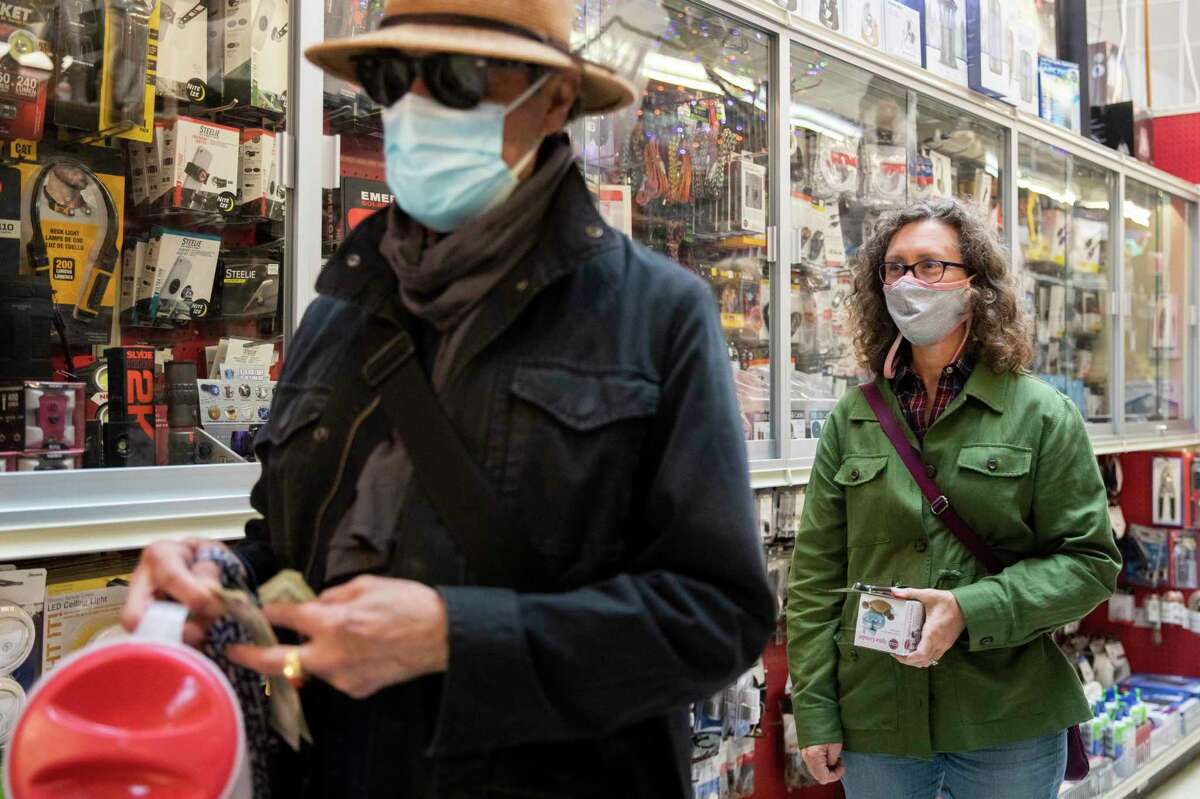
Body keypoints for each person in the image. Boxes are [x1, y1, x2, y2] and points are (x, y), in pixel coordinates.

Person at [120, 1, 776, 797]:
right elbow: (296, 549)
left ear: (557, 98)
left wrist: (453, 637)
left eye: (460, 79)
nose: (418, 107)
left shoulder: (656, 314)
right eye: (396, 78)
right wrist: (217, 575)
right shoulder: (337, 312)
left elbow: (717, 615)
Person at [785, 198, 1121, 799]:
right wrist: (814, 713)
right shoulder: (854, 418)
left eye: (932, 266)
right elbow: (814, 581)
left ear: (976, 284)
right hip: (879, 725)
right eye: (896, 268)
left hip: (1005, 722)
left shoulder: (1041, 414)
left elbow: (1090, 563)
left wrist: (972, 607)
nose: (911, 282)